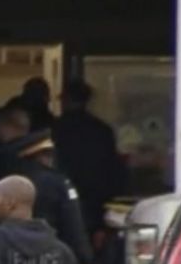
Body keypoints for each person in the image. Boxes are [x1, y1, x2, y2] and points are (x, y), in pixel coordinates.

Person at [11, 129, 94, 264]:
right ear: (41, 156)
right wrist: (84, 259)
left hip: (11, 257)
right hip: (51, 257)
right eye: (48, 154)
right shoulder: (58, 183)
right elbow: (72, 222)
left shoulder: (7, 183)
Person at [53, 78, 128, 238]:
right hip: (95, 199)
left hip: (61, 197)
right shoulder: (102, 130)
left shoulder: (55, 130)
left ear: (65, 100)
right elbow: (112, 166)